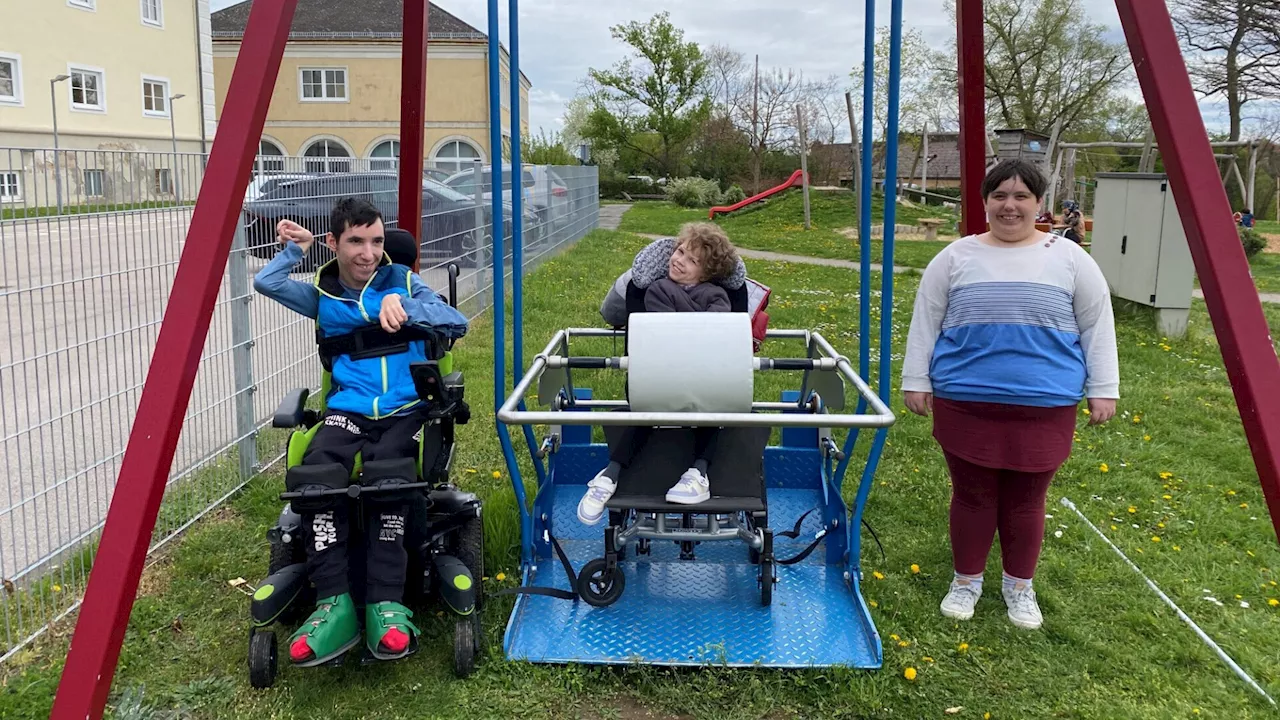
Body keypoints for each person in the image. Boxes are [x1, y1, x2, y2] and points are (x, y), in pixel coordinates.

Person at [901, 159, 1119, 630]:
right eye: (999, 195)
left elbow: (1097, 325)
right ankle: (966, 581)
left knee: (1026, 501)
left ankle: (1019, 586)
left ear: (1038, 204)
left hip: (1045, 404)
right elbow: (927, 321)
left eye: (1021, 196)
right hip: (966, 400)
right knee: (972, 496)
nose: (1010, 205)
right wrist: (916, 379)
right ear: (985, 202)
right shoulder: (955, 257)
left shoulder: (1070, 259)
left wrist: (1103, 388)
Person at [252, 198, 469, 665]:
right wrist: (296, 251)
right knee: (315, 474)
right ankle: (334, 603)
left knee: (388, 474)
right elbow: (264, 282)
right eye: (355, 241)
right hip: (347, 410)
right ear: (334, 242)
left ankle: (387, 603)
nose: (368, 252)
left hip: (404, 408)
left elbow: (457, 321)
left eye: (376, 240)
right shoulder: (322, 296)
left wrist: (406, 304)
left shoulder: (403, 280)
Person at [578, 223, 741, 524]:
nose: (679, 260)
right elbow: (661, 327)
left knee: (711, 411)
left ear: (706, 274)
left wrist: (690, 329)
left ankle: (699, 473)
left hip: (704, 374)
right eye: (680, 251)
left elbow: (718, 329)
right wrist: (695, 327)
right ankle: (610, 476)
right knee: (643, 414)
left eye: (692, 260)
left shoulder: (717, 295)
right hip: (661, 370)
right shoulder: (658, 288)